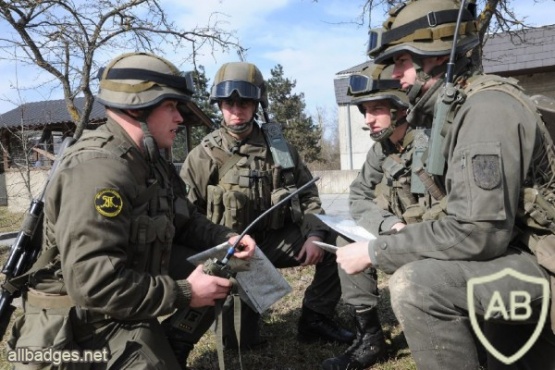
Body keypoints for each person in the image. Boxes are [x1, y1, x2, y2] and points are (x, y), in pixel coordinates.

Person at [336, 1, 555, 369]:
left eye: (402, 62)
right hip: (517, 257)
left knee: (419, 286)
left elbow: (476, 233)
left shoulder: (485, 110)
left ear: (436, 56)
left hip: (539, 266)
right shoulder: (458, 110)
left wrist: (377, 252)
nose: (398, 76)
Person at [7, 52, 256, 370]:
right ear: (137, 108)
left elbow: (184, 218)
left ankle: (174, 346)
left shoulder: (150, 158)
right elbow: (93, 285)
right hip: (79, 327)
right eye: (170, 107)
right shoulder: (99, 170)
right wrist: (183, 293)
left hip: (124, 292)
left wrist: (227, 238)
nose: (180, 118)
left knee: (221, 266)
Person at [180, 61, 354, 349]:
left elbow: (308, 195)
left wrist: (313, 235)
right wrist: (216, 252)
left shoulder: (280, 149)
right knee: (237, 343)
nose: (236, 110)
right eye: (229, 103)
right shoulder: (203, 156)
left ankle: (315, 318)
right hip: (232, 252)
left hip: (273, 241)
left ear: (257, 104)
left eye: (245, 102)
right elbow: (185, 215)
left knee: (337, 240)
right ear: (220, 105)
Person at [322, 63, 419, 369]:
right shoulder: (381, 150)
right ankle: (370, 336)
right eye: (364, 110)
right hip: (401, 236)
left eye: (377, 109)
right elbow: (358, 197)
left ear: (401, 107)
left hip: (435, 242)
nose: (368, 120)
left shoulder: (430, 144)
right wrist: (391, 224)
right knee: (344, 238)